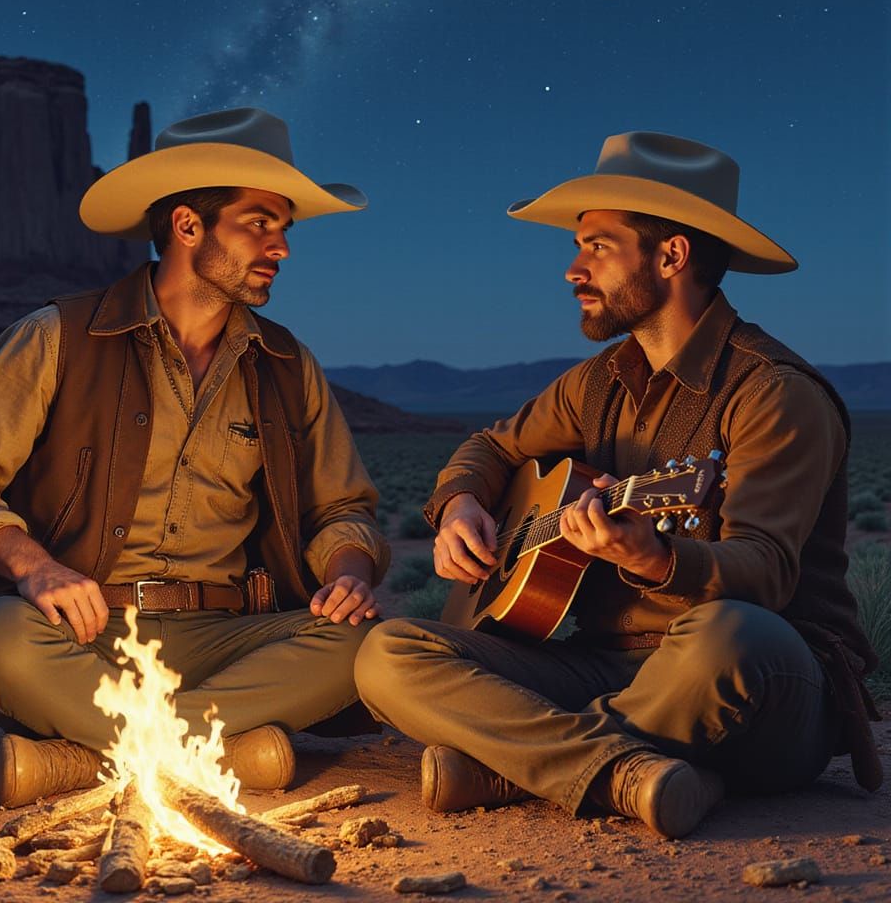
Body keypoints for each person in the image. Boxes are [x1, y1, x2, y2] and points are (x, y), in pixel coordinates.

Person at [355, 131, 881, 839]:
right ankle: (628, 771)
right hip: (604, 665)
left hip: (757, 679)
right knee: (389, 654)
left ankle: (515, 766)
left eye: (598, 247)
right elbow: (492, 445)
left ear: (672, 255)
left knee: (728, 635)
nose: (573, 269)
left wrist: (654, 558)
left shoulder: (774, 393)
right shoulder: (596, 382)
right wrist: (460, 503)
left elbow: (765, 575)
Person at [0, 107, 389, 807]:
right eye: (260, 223)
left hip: (227, 643)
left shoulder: (287, 364)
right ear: (188, 225)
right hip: (78, 639)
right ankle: (231, 755)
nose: (282, 247)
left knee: (368, 643)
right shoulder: (56, 336)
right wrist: (36, 568)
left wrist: (348, 575)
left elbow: (343, 508)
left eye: (285, 228)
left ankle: (87, 759)